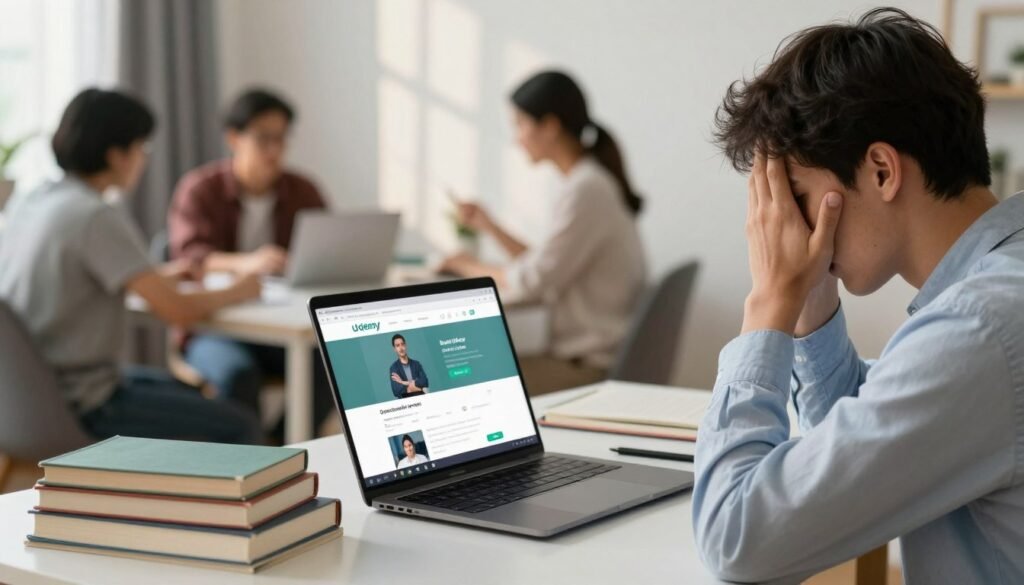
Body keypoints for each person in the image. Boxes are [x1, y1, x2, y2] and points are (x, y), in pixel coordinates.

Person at [692, 8, 1024, 583]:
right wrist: (809, 300)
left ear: (879, 170)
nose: (788, 227)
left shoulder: (980, 328)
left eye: (796, 196)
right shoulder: (996, 289)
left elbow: (738, 539)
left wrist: (768, 304)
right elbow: (860, 452)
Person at [0, 88, 263, 444]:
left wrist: (162, 277)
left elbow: (76, 280)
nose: (144, 159)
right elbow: (179, 311)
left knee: (183, 391)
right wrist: (240, 289)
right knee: (241, 425)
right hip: (86, 403)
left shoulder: (33, 201)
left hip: (24, 401)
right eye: (142, 148)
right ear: (117, 155)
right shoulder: (94, 215)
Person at [439, 71, 646, 395]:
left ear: (549, 126)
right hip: (588, 358)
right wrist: (489, 226)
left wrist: (467, 267)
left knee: (451, 383)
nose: (516, 138)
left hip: (586, 368)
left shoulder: (585, 190)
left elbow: (534, 280)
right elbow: (547, 264)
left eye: (520, 124)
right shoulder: (588, 182)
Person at [167, 88, 333, 431]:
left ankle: (278, 448)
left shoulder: (303, 191)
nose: (275, 150)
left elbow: (327, 249)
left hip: (282, 324)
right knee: (238, 375)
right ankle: (252, 463)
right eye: (264, 139)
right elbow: (190, 255)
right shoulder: (200, 189)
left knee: (337, 367)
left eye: (282, 139)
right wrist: (246, 263)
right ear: (234, 138)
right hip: (214, 325)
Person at [389, 334, 429, 398]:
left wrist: (403, 382)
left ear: (406, 345)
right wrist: (418, 388)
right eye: (397, 346)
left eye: (402, 344)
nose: (401, 348)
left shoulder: (416, 364)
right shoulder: (394, 368)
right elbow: (396, 391)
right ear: (394, 349)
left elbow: (425, 382)